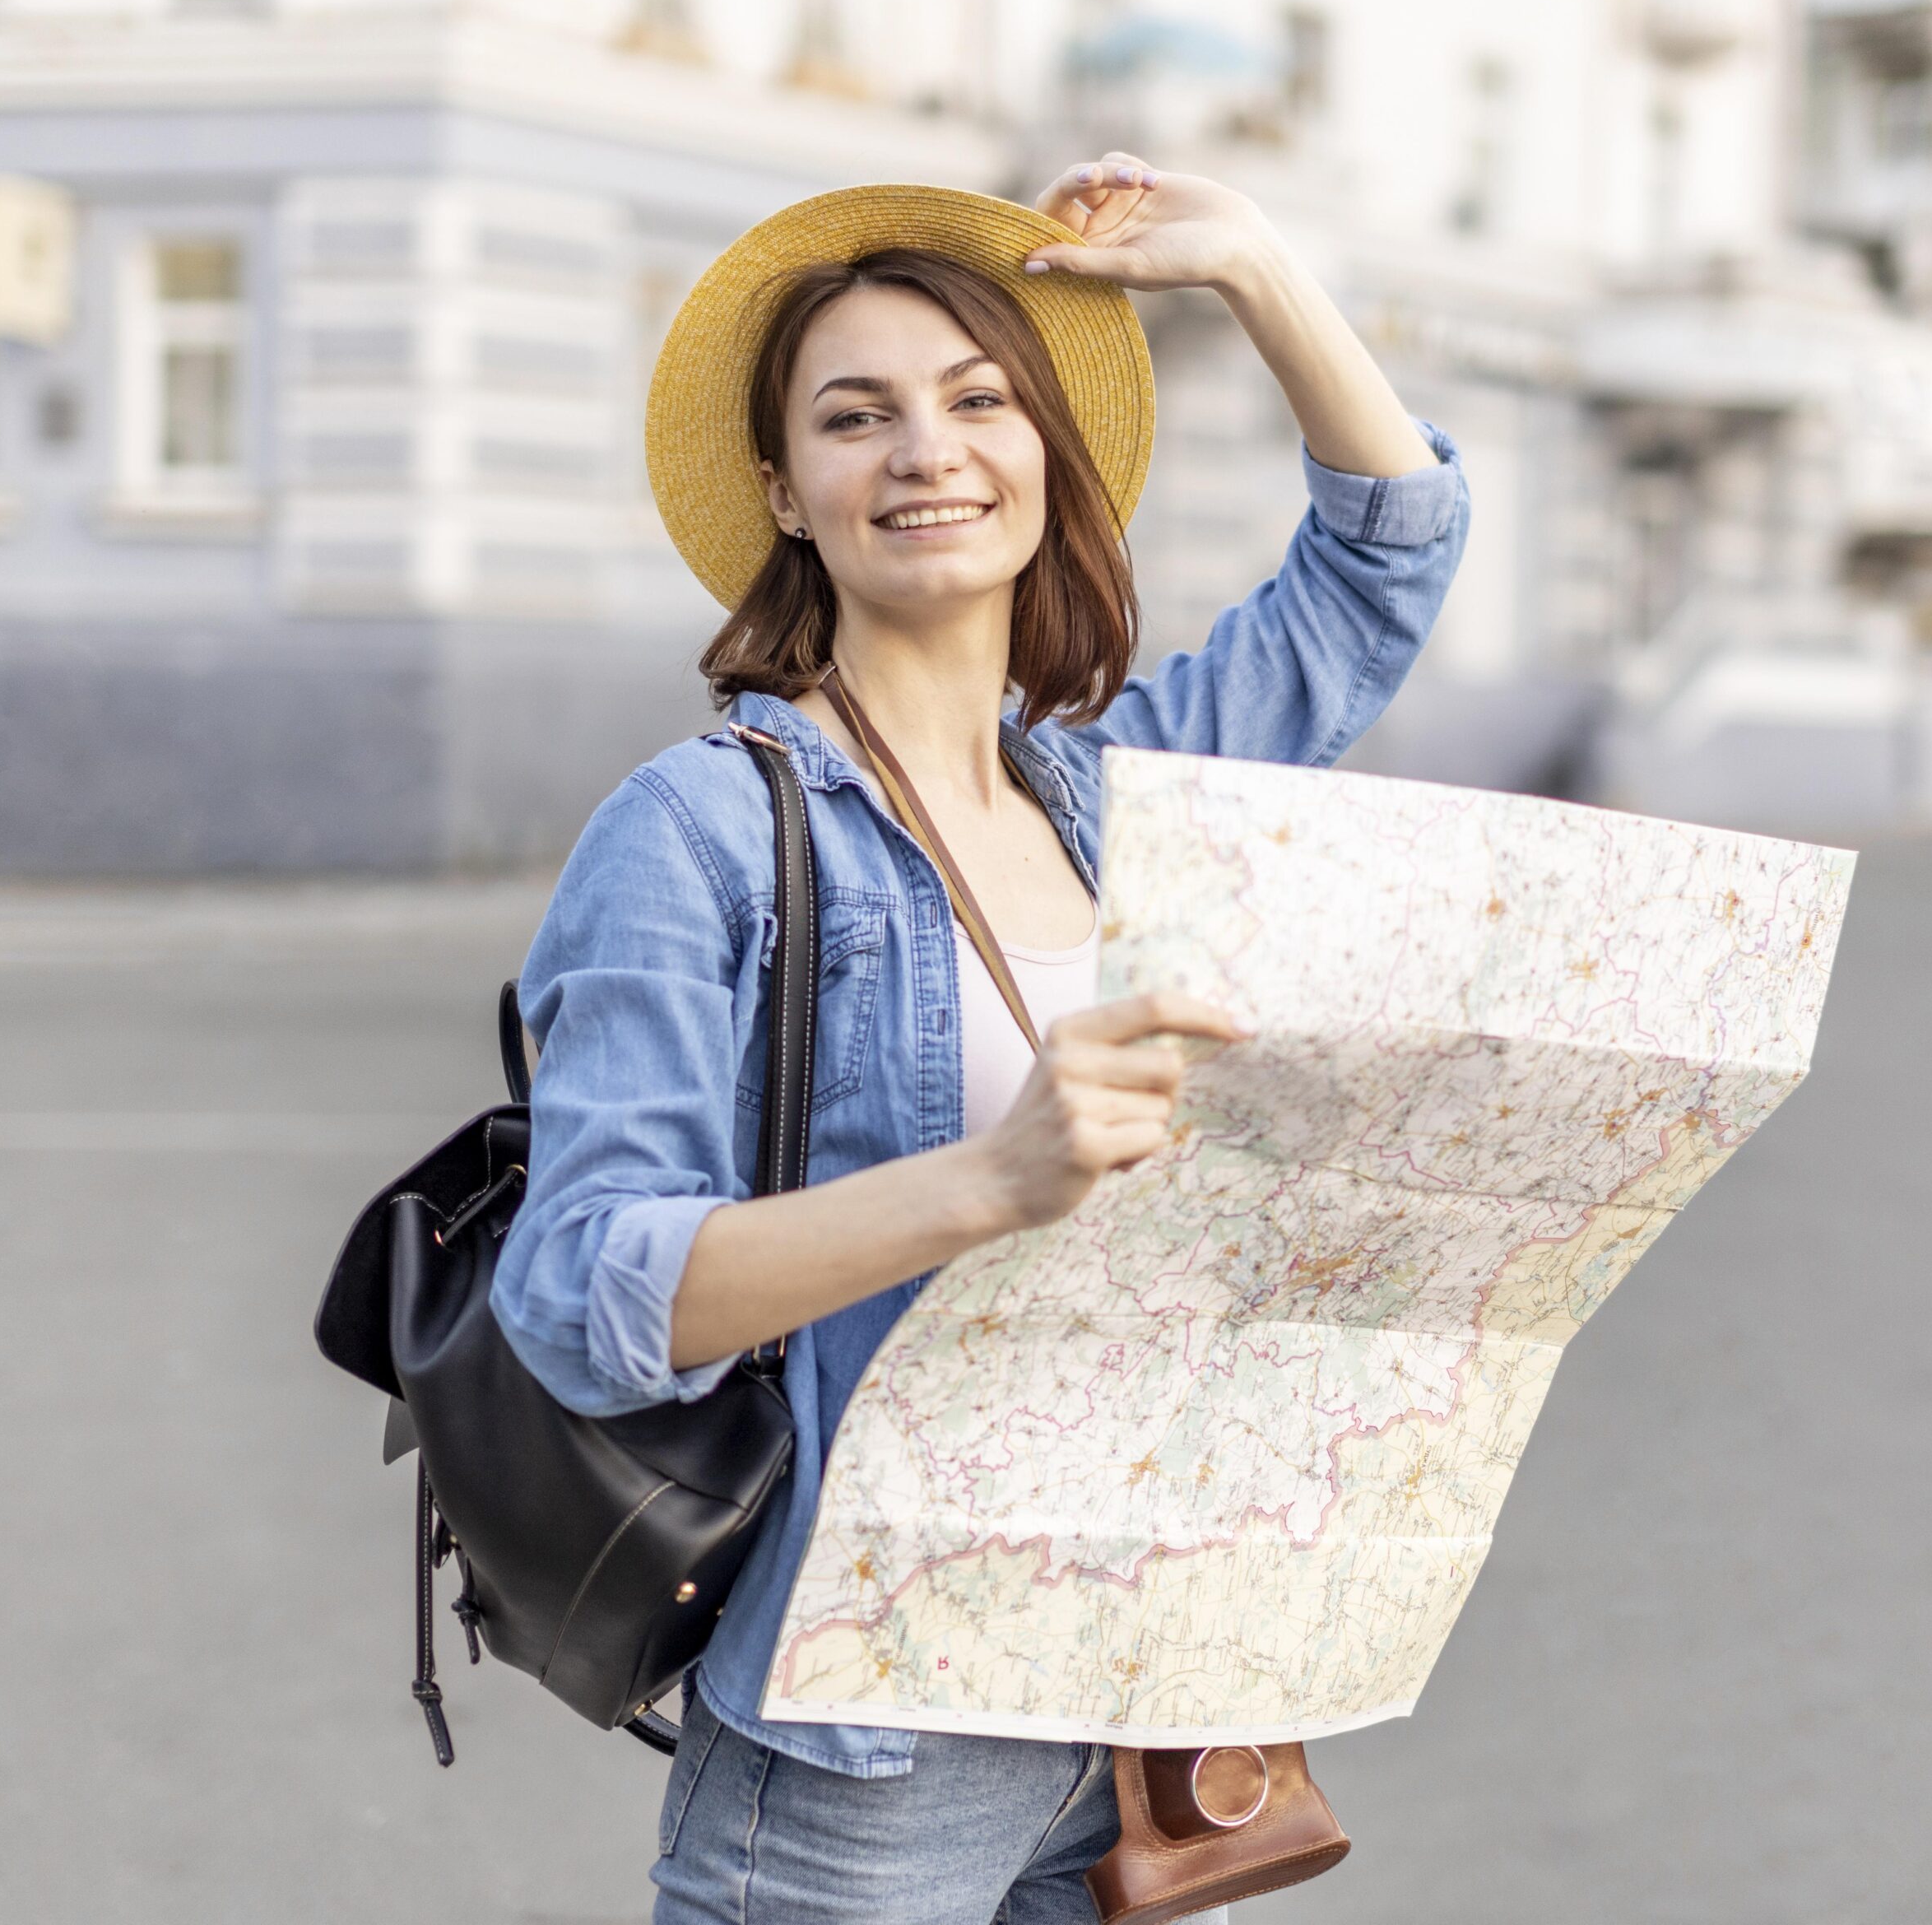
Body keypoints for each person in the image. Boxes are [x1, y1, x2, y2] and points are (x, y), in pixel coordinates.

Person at [492, 155, 1470, 1923]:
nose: (924, 450)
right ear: (786, 492)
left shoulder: (1117, 789)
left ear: (1043, 458)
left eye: (977, 399)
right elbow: (584, 1291)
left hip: (1135, 1696)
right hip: (870, 1727)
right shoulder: (696, 831)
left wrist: (1249, 262)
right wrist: (991, 1180)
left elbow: (1381, 559)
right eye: (854, 418)